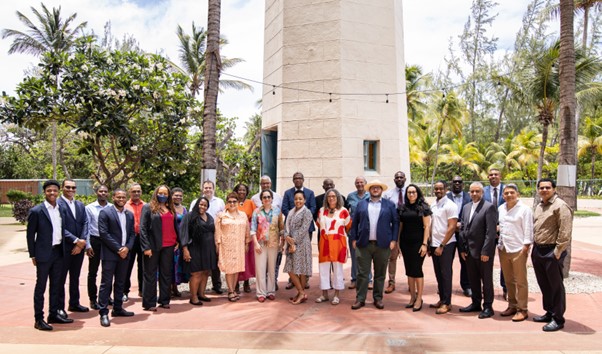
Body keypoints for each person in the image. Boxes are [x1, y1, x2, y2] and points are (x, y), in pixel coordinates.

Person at [27, 180, 73, 330]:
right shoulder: (37, 211)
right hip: (43, 254)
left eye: (54, 190)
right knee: (41, 287)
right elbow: (30, 235)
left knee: (56, 285)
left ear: (58, 192)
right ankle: (38, 319)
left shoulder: (61, 210)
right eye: (49, 191)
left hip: (58, 252)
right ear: (44, 192)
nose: (52, 193)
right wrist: (33, 255)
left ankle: (53, 314)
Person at [349, 179, 399, 310]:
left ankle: (378, 298)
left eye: (378, 188)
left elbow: (396, 223)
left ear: (381, 190)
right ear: (369, 190)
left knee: (380, 273)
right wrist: (354, 239)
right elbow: (354, 223)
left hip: (383, 245)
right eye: (373, 188)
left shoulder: (389, 205)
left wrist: (394, 240)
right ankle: (360, 299)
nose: (375, 189)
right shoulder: (361, 204)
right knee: (362, 273)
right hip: (364, 245)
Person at [531, 178, 573, 332]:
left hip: (552, 252)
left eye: (547, 187)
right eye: (541, 188)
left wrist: (557, 252)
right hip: (538, 250)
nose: (544, 190)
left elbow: (565, 231)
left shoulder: (560, 206)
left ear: (554, 189)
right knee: (544, 284)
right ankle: (549, 312)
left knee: (555, 287)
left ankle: (558, 318)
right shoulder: (539, 206)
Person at [97, 189, 136, 327]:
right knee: (106, 283)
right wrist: (119, 248)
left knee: (120, 282)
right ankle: (103, 312)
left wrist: (127, 248)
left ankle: (118, 308)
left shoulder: (129, 214)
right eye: (118, 196)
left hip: (125, 254)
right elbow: (104, 233)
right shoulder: (105, 212)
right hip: (110, 254)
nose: (121, 199)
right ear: (113, 197)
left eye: (123, 197)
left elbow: (132, 234)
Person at [459, 182, 498, 319]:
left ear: (482, 193)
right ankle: (476, 303)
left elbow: (491, 232)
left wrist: (486, 252)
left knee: (486, 280)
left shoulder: (489, 207)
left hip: (483, 253)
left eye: (477, 191)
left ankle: (488, 306)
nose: (474, 194)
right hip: (469, 252)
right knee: (473, 279)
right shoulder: (466, 207)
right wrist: (462, 249)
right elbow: (463, 229)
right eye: (472, 191)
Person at [140, 185, 180, 311]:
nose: (162, 196)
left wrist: (178, 240)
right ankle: (149, 303)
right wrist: (146, 247)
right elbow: (143, 228)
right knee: (150, 275)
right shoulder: (148, 207)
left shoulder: (170, 208)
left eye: (165, 193)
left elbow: (174, 226)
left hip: (169, 246)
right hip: (153, 246)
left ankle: (164, 300)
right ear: (156, 193)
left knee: (166, 274)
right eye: (160, 193)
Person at [497, 184, 533, 322]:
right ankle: (512, 305)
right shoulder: (501, 209)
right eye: (506, 193)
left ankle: (522, 309)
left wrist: (525, 247)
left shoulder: (524, 210)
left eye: (512, 192)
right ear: (503, 195)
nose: (509, 195)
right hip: (504, 248)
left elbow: (528, 230)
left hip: (518, 249)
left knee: (521, 281)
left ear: (518, 194)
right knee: (508, 280)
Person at [57, 179, 89, 315]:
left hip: (79, 248)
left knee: (75, 277)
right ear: (62, 188)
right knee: (60, 279)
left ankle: (74, 303)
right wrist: (76, 240)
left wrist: (81, 243)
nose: (71, 190)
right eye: (68, 187)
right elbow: (59, 227)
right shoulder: (57, 205)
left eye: (73, 188)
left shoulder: (80, 205)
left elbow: (85, 223)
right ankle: (59, 307)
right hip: (64, 248)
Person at [398, 184, 431, 312]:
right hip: (406, 243)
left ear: (417, 193)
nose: (411, 194)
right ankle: (412, 297)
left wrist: (424, 244)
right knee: (409, 271)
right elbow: (401, 227)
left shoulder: (423, 207)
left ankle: (419, 298)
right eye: (409, 192)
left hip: (418, 244)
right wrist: (399, 243)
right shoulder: (402, 208)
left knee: (417, 270)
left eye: (413, 192)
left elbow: (426, 227)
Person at [316, 188, 351, 305]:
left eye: (333, 196)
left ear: (338, 198)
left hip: (338, 244)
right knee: (323, 269)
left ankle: (336, 295)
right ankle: (324, 294)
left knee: (338, 269)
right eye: (329, 196)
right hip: (325, 243)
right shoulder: (321, 211)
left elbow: (348, 225)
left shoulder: (343, 211)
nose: (331, 198)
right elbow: (318, 224)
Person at [281, 172, 316, 290]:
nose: (298, 180)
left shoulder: (310, 193)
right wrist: (294, 217)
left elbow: (313, 208)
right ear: (293, 180)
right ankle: (293, 281)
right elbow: (284, 208)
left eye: (300, 178)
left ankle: (304, 282)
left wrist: (300, 217)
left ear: (303, 179)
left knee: (303, 257)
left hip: (305, 231)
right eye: (295, 178)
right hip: (291, 230)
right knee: (292, 257)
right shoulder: (287, 193)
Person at [180, 197, 217, 305]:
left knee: (205, 272)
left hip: (208, 248)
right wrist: (185, 249)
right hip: (195, 248)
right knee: (196, 273)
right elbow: (184, 233)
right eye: (201, 204)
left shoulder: (209, 216)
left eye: (205, 205)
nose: (203, 207)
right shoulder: (189, 216)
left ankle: (201, 294)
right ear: (197, 204)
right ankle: (194, 297)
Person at [190, 180, 225, 294]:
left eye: (210, 188)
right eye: (206, 188)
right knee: (201, 266)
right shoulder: (195, 202)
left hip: (215, 233)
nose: (208, 190)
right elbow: (191, 218)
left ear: (213, 189)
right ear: (202, 189)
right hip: (199, 237)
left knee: (214, 261)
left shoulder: (220, 202)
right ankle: (198, 291)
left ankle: (217, 285)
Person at [215, 192, 251, 302]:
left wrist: (246, 243)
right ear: (227, 203)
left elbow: (247, 231)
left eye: (234, 201)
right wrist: (218, 245)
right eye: (229, 201)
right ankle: (230, 291)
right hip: (226, 246)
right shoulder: (221, 215)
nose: (232, 203)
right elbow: (217, 232)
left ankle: (234, 289)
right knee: (229, 269)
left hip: (239, 245)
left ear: (237, 202)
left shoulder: (243, 215)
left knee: (236, 268)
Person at [429, 181, 458, 315]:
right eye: (436, 189)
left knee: (446, 274)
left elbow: (452, 227)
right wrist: (431, 244)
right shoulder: (433, 205)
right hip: (434, 244)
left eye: (441, 188)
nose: (438, 191)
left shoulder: (451, 205)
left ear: (446, 189)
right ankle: (442, 299)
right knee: (438, 273)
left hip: (446, 245)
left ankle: (447, 302)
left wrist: (441, 245)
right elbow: (432, 224)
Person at [251, 189, 284, 302]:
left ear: (272, 198)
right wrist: (255, 243)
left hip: (274, 243)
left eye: (268, 197)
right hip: (260, 243)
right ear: (261, 199)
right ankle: (261, 292)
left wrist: (282, 243)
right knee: (260, 268)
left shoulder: (277, 211)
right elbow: (253, 229)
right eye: (264, 197)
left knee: (271, 268)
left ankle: (271, 291)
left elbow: (281, 228)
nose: (266, 199)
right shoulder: (256, 212)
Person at [282, 190, 314, 305]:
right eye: (296, 199)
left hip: (302, 244)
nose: (298, 201)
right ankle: (301, 292)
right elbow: (286, 228)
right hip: (291, 243)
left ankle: (301, 293)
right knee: (291, 269)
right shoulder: (291, 212)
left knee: (302, 270)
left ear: (304, 200)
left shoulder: (307, 212)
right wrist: (287, 237)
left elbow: (303, 229)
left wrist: (293, 242)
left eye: (300, 199)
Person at [85, 185, 112, 310]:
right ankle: (92, 298)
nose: (103, 193)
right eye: (100, 191)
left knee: (108, 271)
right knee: (93, 272)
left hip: (109, 242)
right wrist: (88, 244)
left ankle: (107, 296)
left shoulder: (112, 208)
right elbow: (87, 227)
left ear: (108, 193)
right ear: (96, 192)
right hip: (95, 241)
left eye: (105, 191)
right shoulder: (89, 208)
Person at [483, 168, 507, 300]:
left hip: (504, 231)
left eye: (496, 174)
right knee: (487, 260)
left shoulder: (507, 190)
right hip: (487, 232)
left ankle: (506, 288)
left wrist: (499, 227)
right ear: (488, 177)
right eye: (491, 174)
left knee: (505, 261)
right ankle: (487, 287)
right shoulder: (483, 191)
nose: (493, 176)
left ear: (500, 176)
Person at [446, 175, 472, 297]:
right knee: (446, 262)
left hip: (464, 235)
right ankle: (445, 287)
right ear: (451, 184)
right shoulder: (445, 197)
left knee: (465, 261)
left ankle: (466, 286)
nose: (457, 183)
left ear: (463, 184)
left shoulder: (469, 197)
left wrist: (461, 225)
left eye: (459, 182)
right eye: (454, 182)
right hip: (448, 234)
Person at [382, 171, 406, 294]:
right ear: (394, 179)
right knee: (392, 257)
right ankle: (391, 282)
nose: (399, 179)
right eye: (397, 177)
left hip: (409, 229)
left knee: (410, 257)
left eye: (401, 177)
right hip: (394, 229)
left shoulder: (411, 192)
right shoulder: (388, 195)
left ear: (405, 179)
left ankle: (412, 282)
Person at [345, 176, 369, 289]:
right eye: (357, 182)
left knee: (367, 256)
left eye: (361, 182)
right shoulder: (350, 196)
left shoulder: (370, 196)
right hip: (354, 231)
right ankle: (354, 279)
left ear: (365, 183)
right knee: (354, 256)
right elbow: (345, 212)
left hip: (367, 230)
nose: (359, 184)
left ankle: (368, 280)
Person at [124, 183, 146, 300]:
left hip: (142, 238)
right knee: (127, 265)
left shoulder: (146, 206)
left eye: (138, 191)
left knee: (143, 266)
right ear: (129, 192)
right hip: (129, 239)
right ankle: (124, 291)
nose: (136, 193)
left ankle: (143, 290)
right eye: (134, 191)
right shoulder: (125, 205)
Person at [234, 183, 256, 294]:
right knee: (237, 259)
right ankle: (236, 283)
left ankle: (246, 282)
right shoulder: (232, 202)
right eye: (239, 190)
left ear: (246, 192)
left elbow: (255, 217)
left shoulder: (250, 203)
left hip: (247, 234)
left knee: (247, 259)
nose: (241, 192)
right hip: (235, 235)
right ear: (236, 191)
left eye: (243, 190)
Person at [171, 187, 187, 298]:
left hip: (183, 241)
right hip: (173, 241)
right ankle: (168, 288)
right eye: (176, 195)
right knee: (170, 265)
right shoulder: (168, 208)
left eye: (180, 195)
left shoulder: (185, 209)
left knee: (179, 265)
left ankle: (175, 287)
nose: (178, 197)